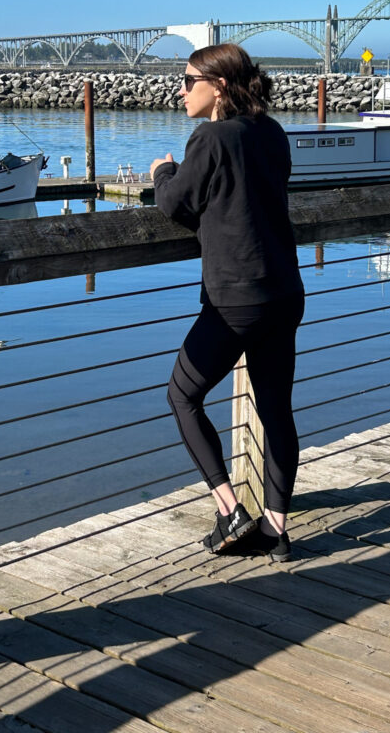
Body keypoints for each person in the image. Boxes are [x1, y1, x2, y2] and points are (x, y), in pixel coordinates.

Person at [150, 43, 304, 562]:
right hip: (284, 291)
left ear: (217, 86)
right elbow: (238, 199)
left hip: (236, 298)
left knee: (181, 395)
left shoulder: (210, 136)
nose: (180, 88)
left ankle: (229, 509)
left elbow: (176, 203)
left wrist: (161, 173)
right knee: (276, 408)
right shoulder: (272, 133)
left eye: (188, 79)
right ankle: (275, 530)